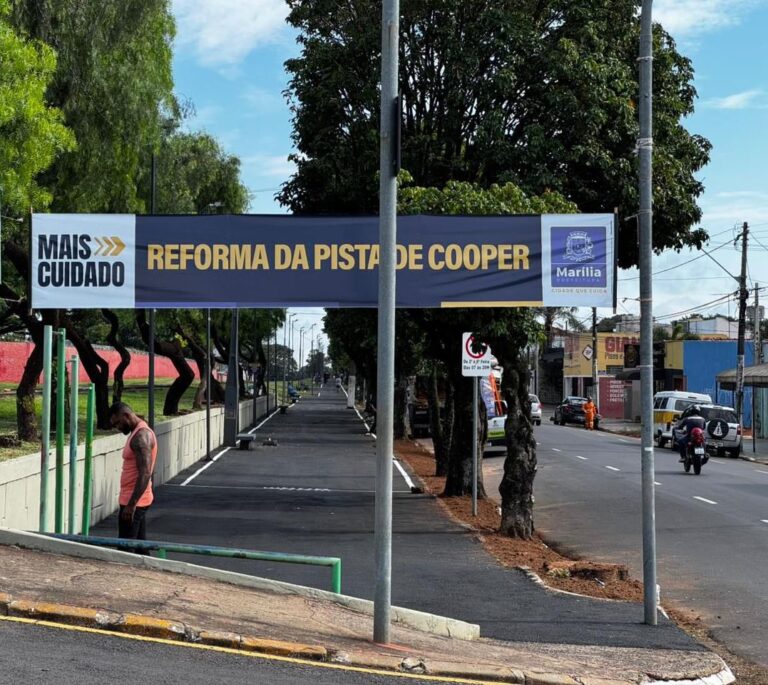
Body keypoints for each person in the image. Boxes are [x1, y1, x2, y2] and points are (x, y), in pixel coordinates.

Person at [109, 402, 157, 550]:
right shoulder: (136, 432)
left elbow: (145, 473)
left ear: (126, 416)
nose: (118, 427)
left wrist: (131, 505)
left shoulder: (141, 437)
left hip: (135, 502)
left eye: (118, 423)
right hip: (134, 500)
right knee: (140, 548)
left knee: (125, 549)